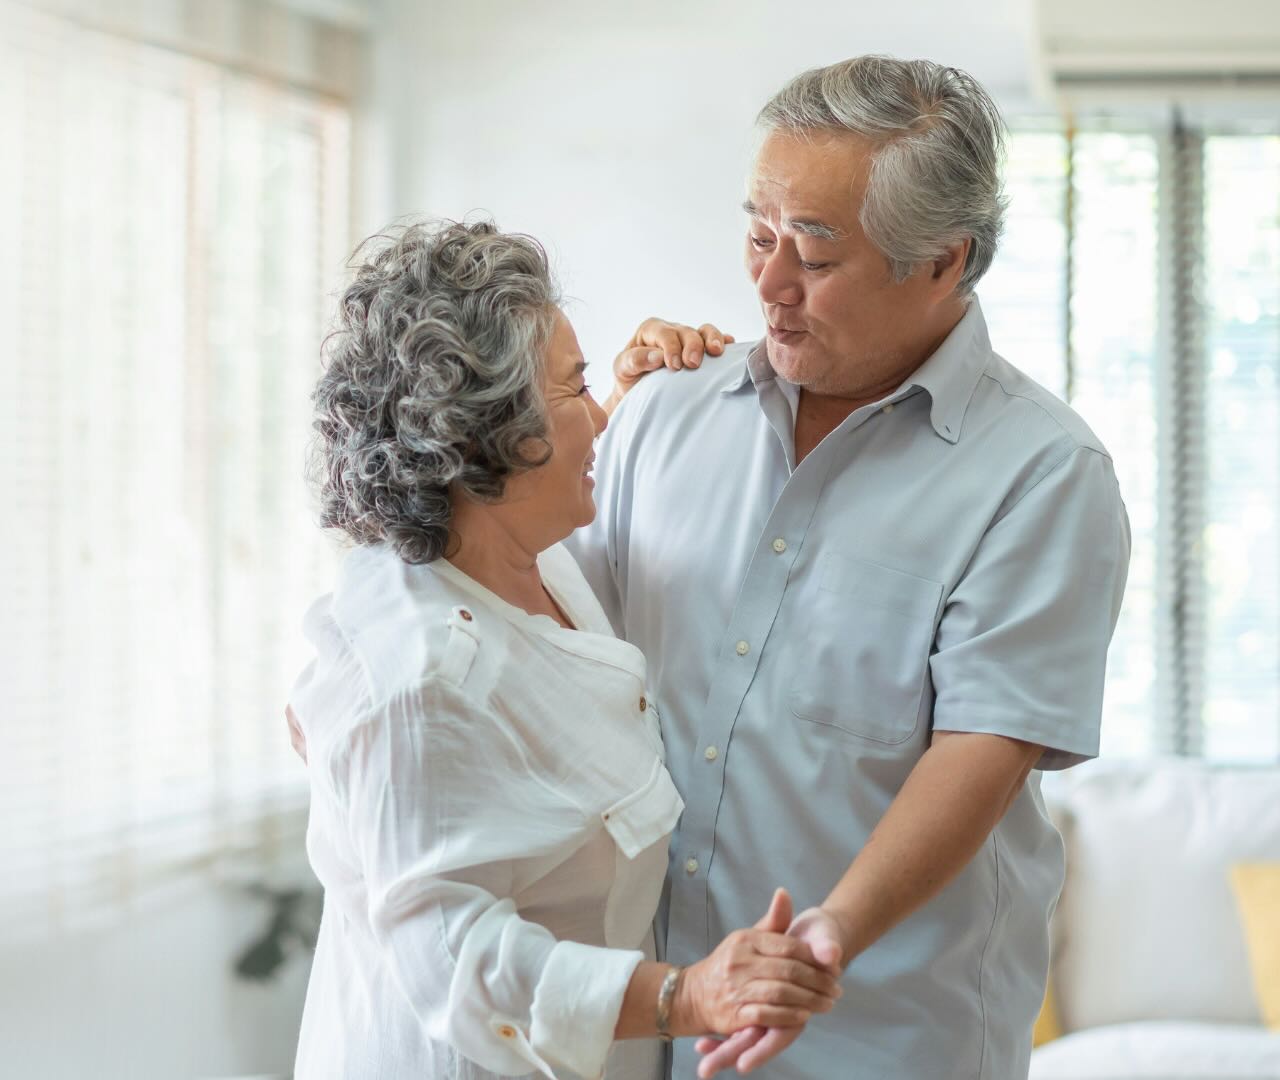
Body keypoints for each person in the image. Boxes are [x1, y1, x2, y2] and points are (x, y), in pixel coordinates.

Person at [569, 55, 1132, 1078]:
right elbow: (547, 629)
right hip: (654, 1027)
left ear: (943, 263)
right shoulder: (664, 412)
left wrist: (830, 933)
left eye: (816, 259)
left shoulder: (1042, 476)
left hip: (885, 1039)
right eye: (758, 236)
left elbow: (982, 751)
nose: (769, 284)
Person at [288, 218, 842, 1080]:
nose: (601, 417)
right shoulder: (417, 671)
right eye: (574, 387)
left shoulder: (526, 564)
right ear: (482, 439)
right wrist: (685, 997)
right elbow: (454, 960)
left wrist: (628, 394)